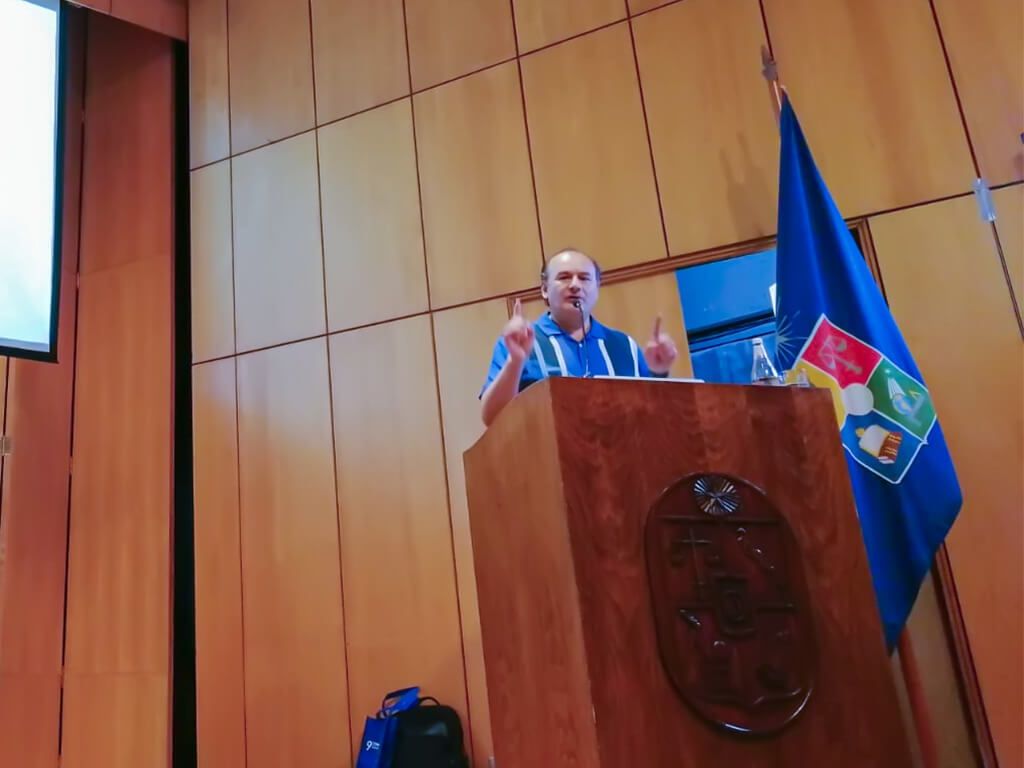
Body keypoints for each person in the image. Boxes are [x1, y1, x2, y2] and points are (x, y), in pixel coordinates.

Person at [480, 248, 679, 426]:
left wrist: (658, 373)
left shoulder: (624, 346)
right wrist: (515, 361)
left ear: (597, 288)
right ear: (545, 290)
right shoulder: (520, 342)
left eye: (584, 278)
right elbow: (492, 418)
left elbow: (652, 415)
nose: (575, 285)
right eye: (564, 277)